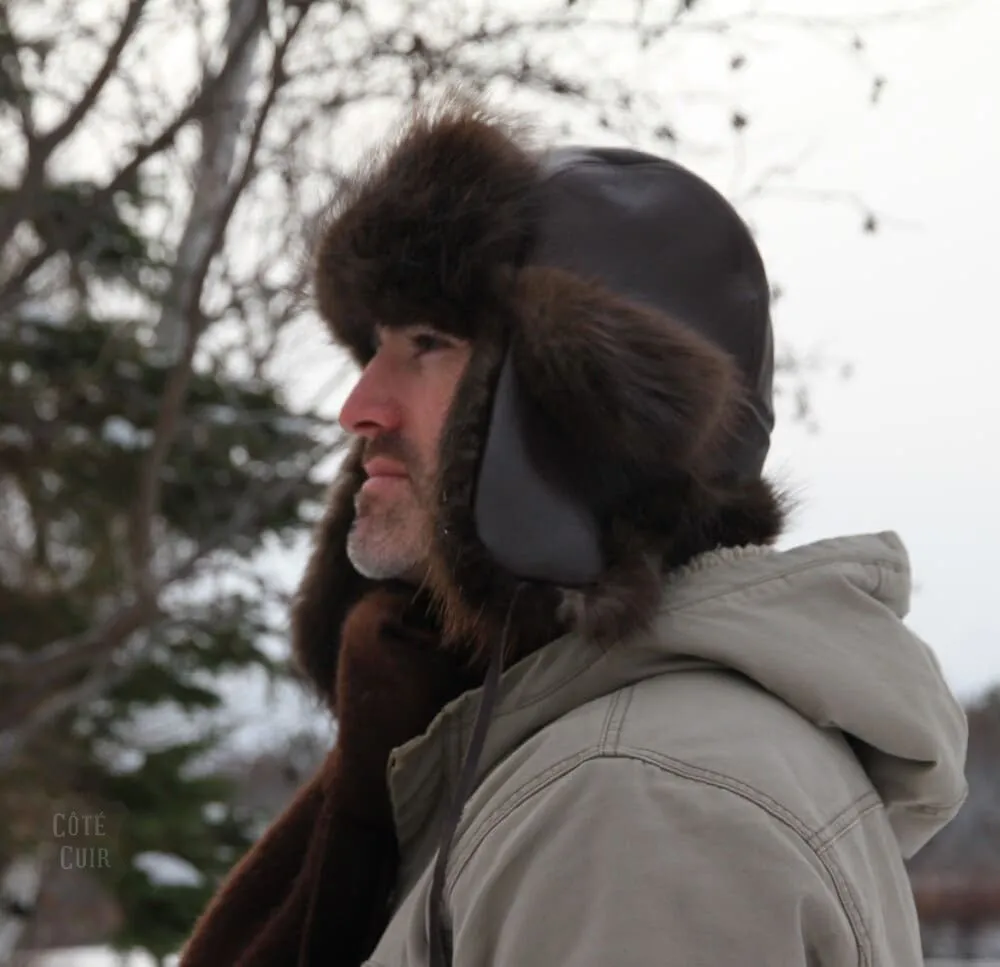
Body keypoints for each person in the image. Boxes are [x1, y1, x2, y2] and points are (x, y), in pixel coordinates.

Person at [179, 95, 968, 967]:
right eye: (371, 346)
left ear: (576, 415)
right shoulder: (545, 766)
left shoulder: (640, 803)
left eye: (428, 342)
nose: (356, 407)